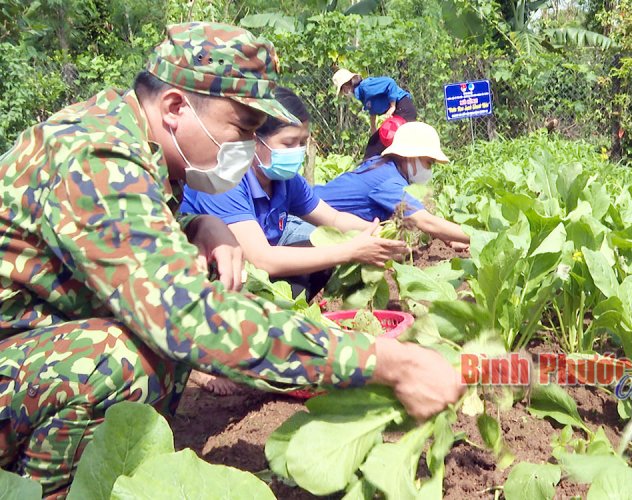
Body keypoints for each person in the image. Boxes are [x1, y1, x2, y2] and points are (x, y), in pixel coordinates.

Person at [0, 23, 463, 498]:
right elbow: (186, 317)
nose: (246, 147)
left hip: (28, 347)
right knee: (113, 358)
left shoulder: (135, 141)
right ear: (177, 107)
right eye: (241, 129)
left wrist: (198, 227)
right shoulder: (98, 155)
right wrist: (384, 361)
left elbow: (110, 251)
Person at [180, 87, 408, 394]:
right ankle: (200, 359)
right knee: (319, 256)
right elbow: (262, 258)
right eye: (289, 143)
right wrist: (350, 251)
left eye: (302, 143)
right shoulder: (226, 180)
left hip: (253, 273)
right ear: (254, 141)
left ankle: (269, 336)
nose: (297, 152)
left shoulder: (286, 180)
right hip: (204, 274)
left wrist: (374, 232)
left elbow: (335, 220)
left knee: (320, 251)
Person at [315, 121, 471, 250]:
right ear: (411, 156)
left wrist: (449, 240)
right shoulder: (389, 181)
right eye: (429, 163)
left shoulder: (383, 166)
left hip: (316, 218)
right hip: (306, 224)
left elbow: (413, 219)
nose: (430, 170)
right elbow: (425, 222)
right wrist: (478, 237)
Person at [332, 68, 417, 159]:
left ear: (346, 86)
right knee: (373, 144)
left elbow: (390, 83)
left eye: (342, 90)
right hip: (398, 111)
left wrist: (392, 106)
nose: (344, 93)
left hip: (403, 108)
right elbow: (372, 108)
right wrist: (373, 127)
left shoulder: (366, 86)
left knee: (380, 147)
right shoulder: (361, 94)